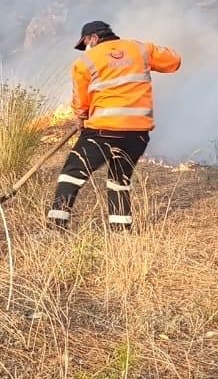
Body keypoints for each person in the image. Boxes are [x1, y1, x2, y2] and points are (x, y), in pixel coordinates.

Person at [48, 20, 181, 232]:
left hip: (103, 131)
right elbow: (174, 61)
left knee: (72, 172)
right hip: (138, 133)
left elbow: (81, 102)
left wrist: (81, 117)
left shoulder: (85, 62)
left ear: (92, 38)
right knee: (119, 179)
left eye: (87, 44)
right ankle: (120, 234)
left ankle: (55, 229)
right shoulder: (141, 49)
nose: (88, 48)